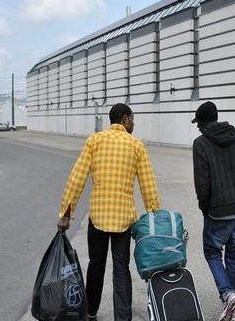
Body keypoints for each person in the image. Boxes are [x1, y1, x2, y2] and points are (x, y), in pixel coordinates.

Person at [57, 103, 161, 321]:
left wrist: (66, 213)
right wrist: (155, 213)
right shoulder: (136, 145)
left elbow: (77, 178)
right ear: (123, 119)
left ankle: (91, 312)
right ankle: (122, 317)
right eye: (132, 118)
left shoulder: (94, 141)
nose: (134, 123)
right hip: (123, 219)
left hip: (98, 217)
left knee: (96, 266)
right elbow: (147, 184)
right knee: (121, 269)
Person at [192, 101, 235, 321]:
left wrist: (204, 207)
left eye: (198, 124)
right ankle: (234, 312)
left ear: (203, 123)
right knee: (232, 256)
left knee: (212, 252)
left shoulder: (200, 144)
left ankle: (228, 294)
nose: (198, 128)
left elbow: (202, 183)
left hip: (217, 211)